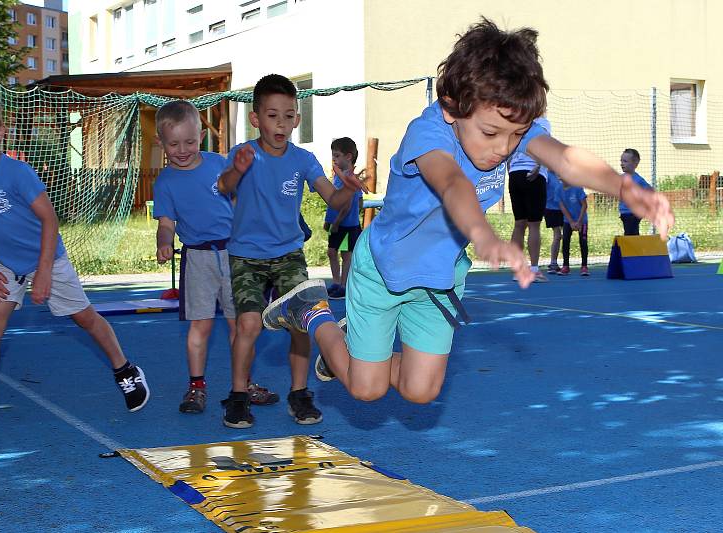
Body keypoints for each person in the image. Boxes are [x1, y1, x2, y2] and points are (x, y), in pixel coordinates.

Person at [262, 18, 674, 405]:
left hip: (439, 278)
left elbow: (565, 159)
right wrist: (483, 235)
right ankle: (314, 311)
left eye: (516, 136)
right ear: (451, 107)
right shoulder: (428, 132)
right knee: (365, 388)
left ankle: (360, 342)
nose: (503, 148)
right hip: (383, 270)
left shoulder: (508, 126)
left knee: (420, 392)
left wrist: (626, 188)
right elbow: (452, 184)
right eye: (491, 133)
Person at [0, 92, 150, 431]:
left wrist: (43, 272)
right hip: (4, 263)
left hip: (46, 257)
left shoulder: (17, 173)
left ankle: (125, 369)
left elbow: (50, 220)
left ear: (2, 131)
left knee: (85, 318)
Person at [216, 74, 363, 428]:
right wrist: (236, 171)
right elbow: (223, 186)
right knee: (248, 325)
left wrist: (349, 190)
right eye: (272, 115)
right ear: (256, 119)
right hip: (246, 255)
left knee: (302, 323)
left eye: (288, 115)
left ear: (297, 118)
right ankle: (238, 397)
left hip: (288, 255)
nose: (280, 124)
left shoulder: (303, 159)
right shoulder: (243, 155)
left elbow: (334, 198)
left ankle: (300, 394)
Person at [152, 100, 278, 414]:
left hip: (235, 254)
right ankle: (196, 387)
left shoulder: (217, 165)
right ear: (162, 144)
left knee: (242, 326)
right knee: (201, 327)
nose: (183, 150)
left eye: (190, 142)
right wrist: (164, 242)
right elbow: (166, 223)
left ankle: (244, 384)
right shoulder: (165, 182)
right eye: (174, 144)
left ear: (201, 137)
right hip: (198, 259)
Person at [509, 116, 552, 282]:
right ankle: (533, 269)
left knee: (519, 223)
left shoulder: (515, 121)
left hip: (515, 174)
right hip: (533, 174)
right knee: (534, 224)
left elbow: (508, 148)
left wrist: (510, 170)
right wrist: (538, 166)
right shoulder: (542, 122)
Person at [323, 137, 363, 300]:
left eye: (337, 155)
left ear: (348, 156)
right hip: (339, 223)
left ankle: (343, 285)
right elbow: (333, 201)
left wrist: (337, 222)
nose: (334, 159)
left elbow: (348, 204)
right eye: (333, 155)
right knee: (333, 252)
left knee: (344, 254)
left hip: (346, 225)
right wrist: (329, 220)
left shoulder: (350, 177)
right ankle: (336, 282)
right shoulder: (338, 176)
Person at [558, 181, 589, 276]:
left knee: (583, 241)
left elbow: (584, 205)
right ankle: (565, 266)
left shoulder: (578, 188)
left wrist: (579, 221)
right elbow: (562, 207)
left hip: (582, 220)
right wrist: (571, 221)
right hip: (568, 221)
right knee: (565, 240)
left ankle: (584, 266)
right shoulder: (558, 189)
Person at [619, 148, 652, 235]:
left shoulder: (638, 180)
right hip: (624, 212)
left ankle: (633, 248)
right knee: (631, 234)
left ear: (635, 164)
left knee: (630, 234)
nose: (622, 163)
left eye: (625, 161)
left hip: (633, 213)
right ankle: (635, 247)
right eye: (621, 161)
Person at [544, 170, 564, 274]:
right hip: (551, 209)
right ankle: (553, 263)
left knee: (565, 236)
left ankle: (566, 264)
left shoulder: (564, 173)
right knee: (558, 235)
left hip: (566, 209)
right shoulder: (546, 175)